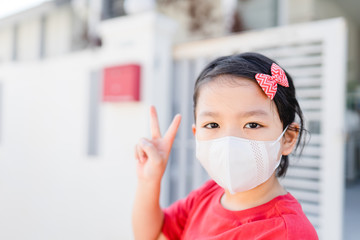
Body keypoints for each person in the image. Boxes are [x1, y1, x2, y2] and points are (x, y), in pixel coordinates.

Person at [132, 52, 319, 239]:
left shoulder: (289, 233)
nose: (230, 140)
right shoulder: (207, 194)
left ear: (288, 138)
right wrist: (149, 180)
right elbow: (150, 234)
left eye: (253, 124)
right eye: (212, 125)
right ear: (196, 134)